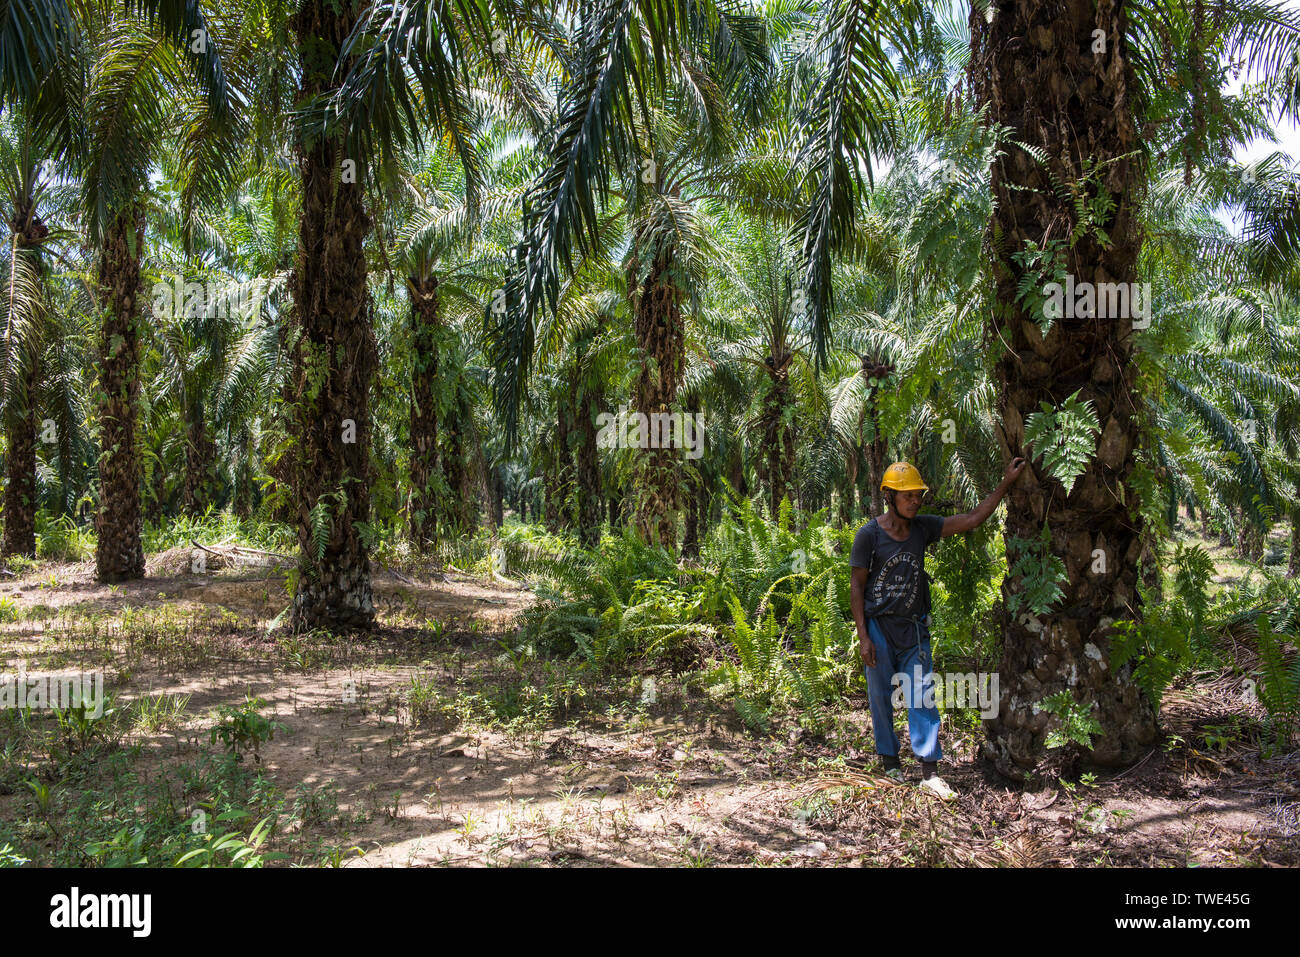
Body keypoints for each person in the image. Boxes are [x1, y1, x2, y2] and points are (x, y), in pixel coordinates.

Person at [849, 457, 1026, 800]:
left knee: (921, 698)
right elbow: (857, 586)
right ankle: (891, 767)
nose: (915, 501)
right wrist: (864, 636)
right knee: (880, 699)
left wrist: (1005, 483)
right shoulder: (868, 537)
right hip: (879, 629)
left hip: (914, 630)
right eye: (908, 496)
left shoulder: (923, 529)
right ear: (889, 495)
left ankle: (929, 773)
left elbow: (972, 518)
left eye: (918, 495)